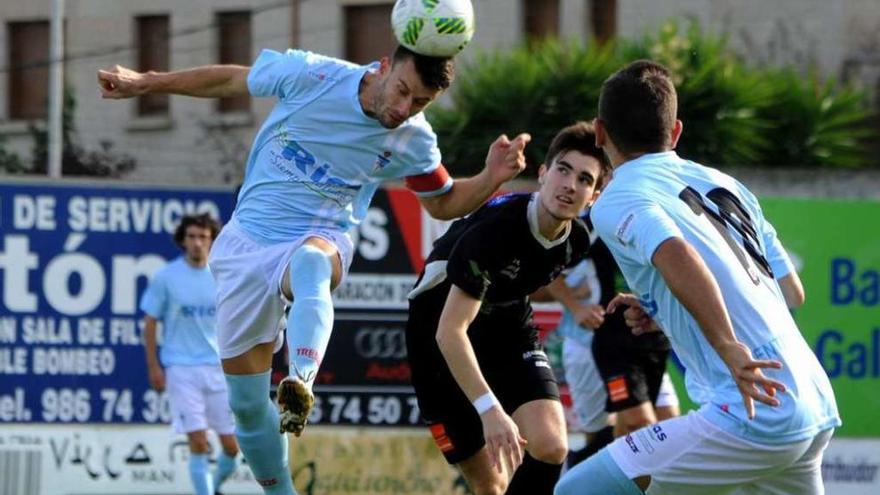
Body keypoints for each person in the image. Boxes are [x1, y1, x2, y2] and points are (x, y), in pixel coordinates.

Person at [100, 44, 529, 495]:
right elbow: (230, 80)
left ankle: (300, 381)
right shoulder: (314, 75)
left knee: (309, 263)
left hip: (323, 236)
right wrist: (146, 82)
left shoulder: (413, 137)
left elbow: (441, 201)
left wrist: (489, 177)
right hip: (246, 245)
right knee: (246, 406)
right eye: (402, 91)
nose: (404, 108)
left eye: (419, 102)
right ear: (383, 67)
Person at [555, 60, 840, 495]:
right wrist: (670, 307)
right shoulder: (724, 183)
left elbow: (678, 254)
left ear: (599, 132)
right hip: (811, 397)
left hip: (753, 406)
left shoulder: (617, 197)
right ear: (675, 133)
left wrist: (727, 344)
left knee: (574, 491)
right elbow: (789, 291)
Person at [406, 121, 610, 495]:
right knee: (491, 486)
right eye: (563, 170)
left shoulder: (576, 241)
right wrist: (490, 409)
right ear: (543, 173)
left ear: (594, 196)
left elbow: (533, 273)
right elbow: (450, 331)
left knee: (552, 446)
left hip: (506, 324)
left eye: (584, 179)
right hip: (437, 333)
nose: (569, 185)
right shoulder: (496, 233)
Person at [141, 213, 240, 495]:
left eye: (203, 237)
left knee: (232, 448)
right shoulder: (166, 277)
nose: (197, 243)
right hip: (181, 368)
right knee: (198, 442)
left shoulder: (224, 275)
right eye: (192, 237)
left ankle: (214, 486)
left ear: (212, 240)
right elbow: (150, 322)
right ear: (183, 241)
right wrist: (154, 367)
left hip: (219, 369)